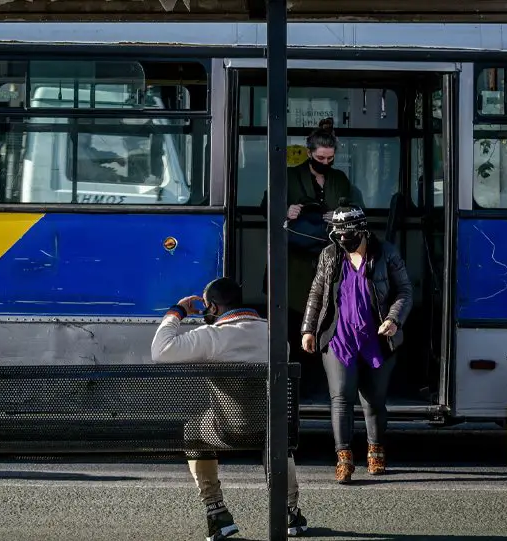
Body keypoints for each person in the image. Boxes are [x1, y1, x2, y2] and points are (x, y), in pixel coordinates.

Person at [152, 277, 309, 539]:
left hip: (227, 430)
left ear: (213, 308)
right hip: (270, 430)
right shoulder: (274, 335)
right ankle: (289, 510)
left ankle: (217, 512)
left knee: (193, 431)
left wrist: (178, 311)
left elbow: (160, 350)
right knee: (277, 436)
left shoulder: (211, 337)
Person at [300, 200, 412, 484]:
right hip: (339, 338)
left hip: (378, 338)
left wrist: (394, 319)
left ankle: (375, 452)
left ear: (362, 231)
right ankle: (344, 457)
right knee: (341, 398)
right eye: (339, 237)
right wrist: (308, 329)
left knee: (373, 401)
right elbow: (316, 293)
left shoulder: (386, 253)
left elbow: (404, 291)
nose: (344, 242)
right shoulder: (330, 255)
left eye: (348, 236)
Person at [261, 118, 364, 376]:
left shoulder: (339, 179)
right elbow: (265, 206)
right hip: (295, 259)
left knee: (327, 312)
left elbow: (355, 209)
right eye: (321, 157)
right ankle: (296, 372)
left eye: (330, 158)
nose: (326, 163)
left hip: (329, 257)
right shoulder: (290, 176)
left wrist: (338, 214)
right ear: (309, 153)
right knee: (296, 315)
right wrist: (286, 209)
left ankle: (324, 370)